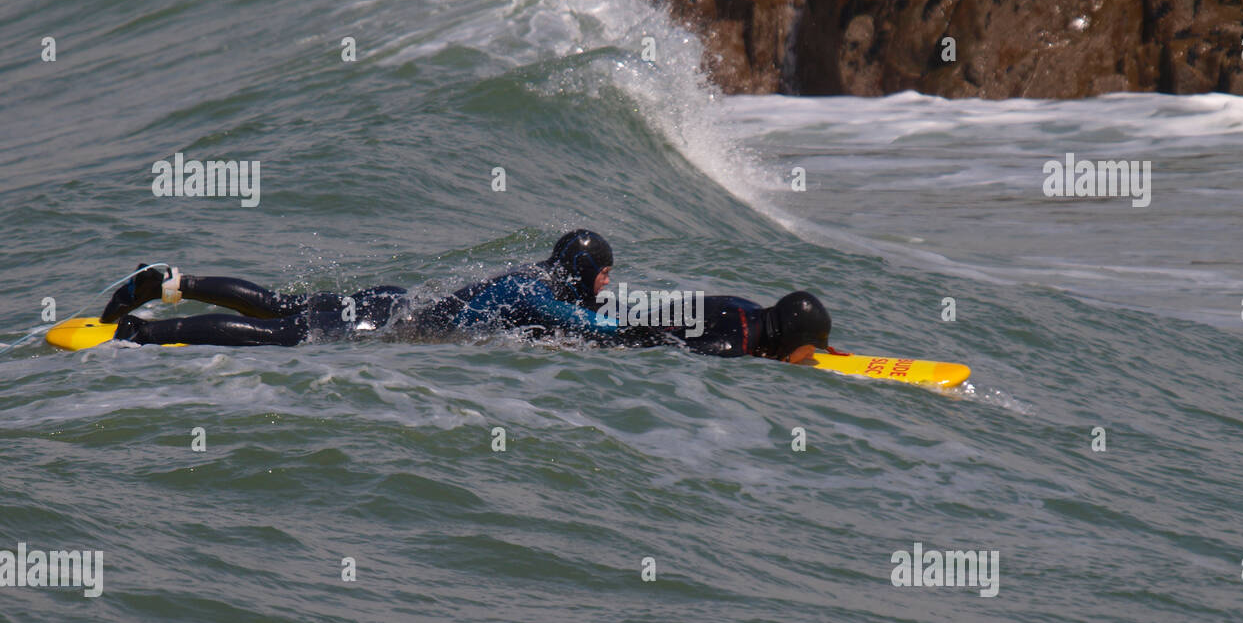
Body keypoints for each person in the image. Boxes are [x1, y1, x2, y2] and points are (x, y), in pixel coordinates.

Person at [103, 230, 647, 347]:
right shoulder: (538, 295)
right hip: (383, 320)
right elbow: (587, 326)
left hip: (391, 300)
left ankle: (176, 282)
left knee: (280, 304)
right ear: (579, 269)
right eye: (603, 272)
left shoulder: (531, 278)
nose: (606, 281)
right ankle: (140, 333)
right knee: (276, 333)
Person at [661, 291, 832, 363]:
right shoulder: (731, 346)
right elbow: (663, 352)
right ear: (790, 340)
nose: (811, 355)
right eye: (809, 348)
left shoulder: (753, 309)